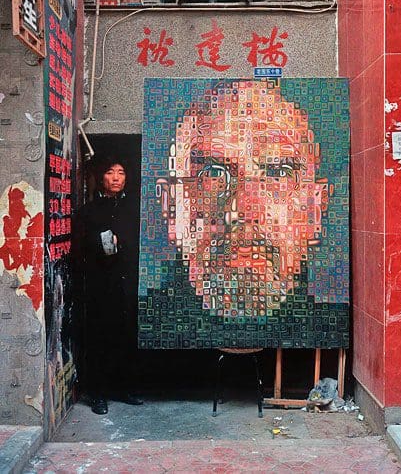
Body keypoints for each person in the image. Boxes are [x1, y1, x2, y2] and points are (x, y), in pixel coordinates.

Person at [140, 79, 335, 349]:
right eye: (213, 173)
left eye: (279, 173)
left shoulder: (328, 330)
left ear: (315, 208)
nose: (243, 209)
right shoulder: (150, 324)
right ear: (171, 205)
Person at [81, 157, 143, 414]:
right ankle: (97, 394)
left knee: (125, 335)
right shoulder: (89, 211)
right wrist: (103, 242)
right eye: (110, 172)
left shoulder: (133, 208)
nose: (116, 178)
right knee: (99, 336)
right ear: (101, 177)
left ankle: (124, 388)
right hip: (100, 282)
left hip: (126, 281)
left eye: (121, 172)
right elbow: (83, 246)